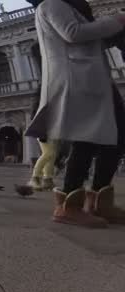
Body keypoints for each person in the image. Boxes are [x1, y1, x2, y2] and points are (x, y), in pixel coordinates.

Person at [25, 0, 125, 228]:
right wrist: (116, 21)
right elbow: (72, 33)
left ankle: (100, 202)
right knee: (86, 139)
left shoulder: (72, 7)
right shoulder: (51, 3)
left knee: (115, 138)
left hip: (93, 79)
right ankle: (68, 205)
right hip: (78, 80)